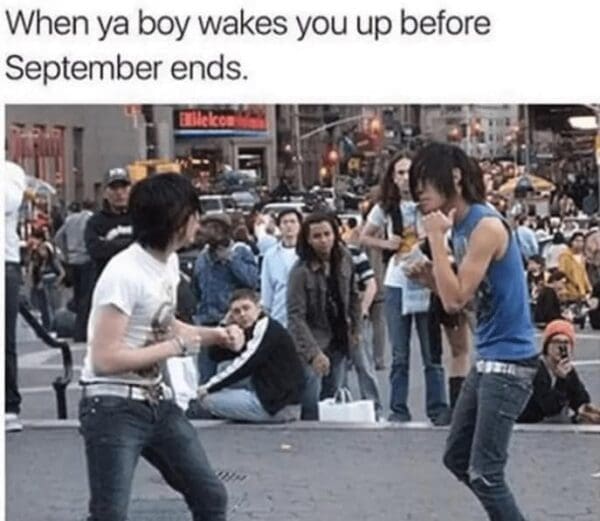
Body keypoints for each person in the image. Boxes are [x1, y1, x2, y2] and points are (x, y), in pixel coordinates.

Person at [78, 173, 244, 521]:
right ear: (176, 219)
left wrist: (218, 335)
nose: (198, 223)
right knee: (109, 514)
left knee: (210, 496)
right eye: (194, 214)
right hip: (111, 405)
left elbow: (165, 325)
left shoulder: (167, 263)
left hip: (155, 401)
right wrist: (174, 347)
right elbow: (105, 359)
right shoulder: (124, 273)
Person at [409, 143, 538, 520]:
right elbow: (472, 301)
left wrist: (435, 239)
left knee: (485, 474)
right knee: (457, 458)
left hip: (510, 363)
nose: (419, 193)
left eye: (425, 181)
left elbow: (455, 302)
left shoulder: (485, 227)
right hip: (489, 358)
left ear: (454, 178)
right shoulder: (462, 228)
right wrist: (433, 281)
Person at [360, 152, 448, 423]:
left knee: (432, 352)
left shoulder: (429, 204)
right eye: (399, 173)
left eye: (409, 172)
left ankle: (438, 408)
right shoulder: (385, 208)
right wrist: (387, 244)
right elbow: (363, 236)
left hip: (426, 279)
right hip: (397, 281)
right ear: (392, 177)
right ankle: (398, 409)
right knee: (399, 353)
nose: (404, 178)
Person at [287, 212, 361, 420]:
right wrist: (313, 353)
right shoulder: (300, 271)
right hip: (312, 341)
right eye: (317, 236)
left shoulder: (345, 258)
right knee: (311, 399)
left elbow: (353, 295)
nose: (323, 240)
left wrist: (356, 329)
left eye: (327, 234)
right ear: (308, 240)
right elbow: (295, 316)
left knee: (333, 398)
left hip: (339, 337)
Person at [192, 289, 305, 423]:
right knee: (223, 367)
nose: (242, 314)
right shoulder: (249, 329)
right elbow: (215, 355)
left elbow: (245, 364)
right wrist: (224, 324)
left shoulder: (267, 329)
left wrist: (206, 388)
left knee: (208, 400)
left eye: (246, 308)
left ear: (258, 308)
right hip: (269, 391)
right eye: (236, 311)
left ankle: (239, 413)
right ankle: (237, 409)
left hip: (278, 407)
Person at [193, 213, 259, 382]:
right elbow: (197, 289)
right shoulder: (202, 257)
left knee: (236, 374)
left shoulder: (240, 251)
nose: (211, 233)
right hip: (207, 322)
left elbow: (252, 281)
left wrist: (231, 260)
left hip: (234, 322)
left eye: (216, 228)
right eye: (207, 228)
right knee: (206, 376)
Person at [518, 320, 597, 423]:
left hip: (554, 423)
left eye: (566, 342)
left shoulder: (567, 368)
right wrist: (561, 380)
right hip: (533, 424)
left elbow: (580, 398)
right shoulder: (536, 369)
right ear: (547, 346)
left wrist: (584, 409)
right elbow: (549, 408)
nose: (561, 347)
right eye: (556, 342)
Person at [5, 161, 27, 432]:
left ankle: (9, 405)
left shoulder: (11, 172)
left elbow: (8, 201)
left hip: (5, 263)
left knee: (5, 339)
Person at [54, 200, 95, 341]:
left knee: (77, 296)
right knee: (86, 297)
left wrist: (65, 254)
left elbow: (58, 238)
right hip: (86, 259)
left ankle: (78, 329)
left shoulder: (69, 220)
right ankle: (82, 330)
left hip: (72, 260)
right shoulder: (90, 218)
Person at [85, 167, 134, 283]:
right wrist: (133, 244)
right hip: (108, 283)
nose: (119, 192)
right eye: (114, 188)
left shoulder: (142, 217)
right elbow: (96, 250)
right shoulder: (95, 222)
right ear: (105, 193)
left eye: (124, 187)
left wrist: (111, 245)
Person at [260, 208, 302, 327]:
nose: (289, 226)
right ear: (279, 226)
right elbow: (267, 288)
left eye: (293, 221)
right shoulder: (270, 255)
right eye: (285, 222)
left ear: (299, 225)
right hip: (279, 315)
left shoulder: (308, 253)